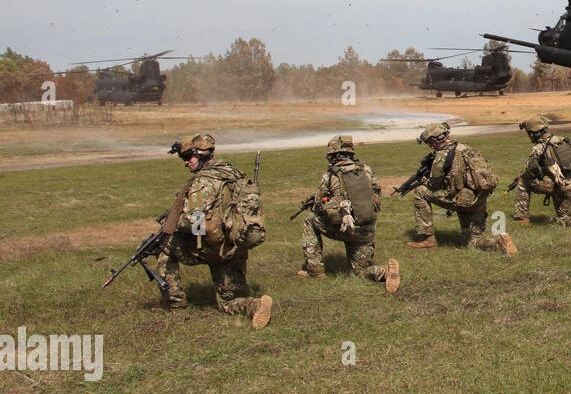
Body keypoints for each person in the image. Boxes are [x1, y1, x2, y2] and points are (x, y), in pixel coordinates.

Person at [155, 133, 273, 328]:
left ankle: (175, 304)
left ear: (200, 154)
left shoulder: (203, 182)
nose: (185, 163)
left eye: (187, 157)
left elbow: (196, 224)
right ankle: (255, 305)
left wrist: (173, 223)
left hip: (212, 248)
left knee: (165, 245)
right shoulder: (234, 174)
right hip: (236, 248)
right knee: (227, 302)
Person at [297, 136, 399, 291]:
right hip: (366, 231)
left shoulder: (329, 176)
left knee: (310, 220)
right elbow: (376, 198)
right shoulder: (367, 170)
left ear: (332, 155)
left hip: (343, 229)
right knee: (359, 272)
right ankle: (382, 273)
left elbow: (319, 205)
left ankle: (315, 270)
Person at [407, 123, 516, 253]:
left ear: (434, 141)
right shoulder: (466, 148)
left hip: (461, 201)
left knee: (420, 192)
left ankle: (427, 238)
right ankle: (498, 243)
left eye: (429, 143)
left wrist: (424, 180)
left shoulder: (441, 157)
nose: (430, 146)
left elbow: (434, 184)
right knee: (472, 241)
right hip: (479, 199)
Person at [511, 116, 571, 233]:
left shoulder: (538, 148)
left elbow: (531, 171)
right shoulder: (562, 140)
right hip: (569, 186)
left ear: (534, 133)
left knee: (523, 181)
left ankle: (521, 219)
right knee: (564, 217)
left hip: (553, 186)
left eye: (529, 133)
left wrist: (523, 175)